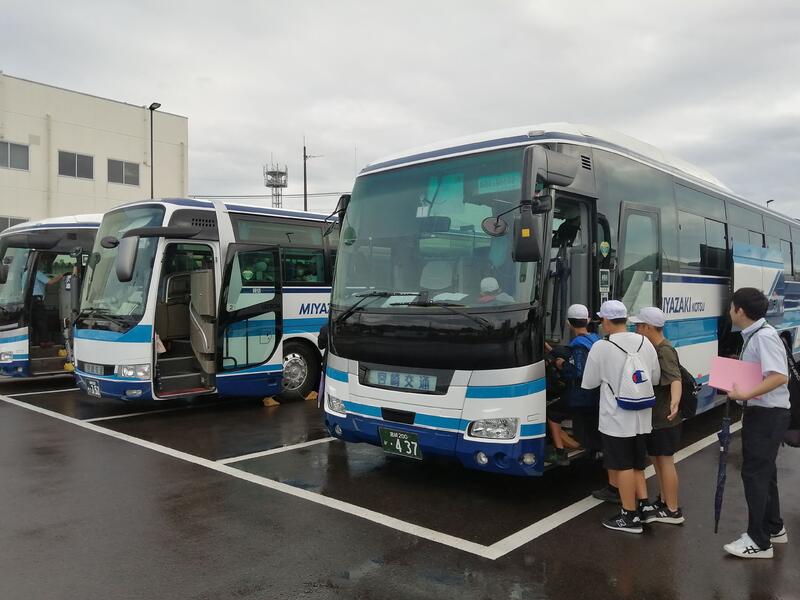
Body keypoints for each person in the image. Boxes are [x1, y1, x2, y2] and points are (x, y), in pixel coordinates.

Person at [723, 287, 791, 559]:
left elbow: (779, 376)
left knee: (755, 475)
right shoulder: (756, 335)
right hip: (765, 414)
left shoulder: (764, 337)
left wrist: (745, 394)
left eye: (731, 307)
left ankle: (759, 541)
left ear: (740, 311)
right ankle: (774, 528)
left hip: (766, 416)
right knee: (765, 473)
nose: (729, 311)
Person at [581, 300, 660, 534]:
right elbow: (655, 378)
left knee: (622, 465)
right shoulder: (645, 342)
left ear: (606, 321)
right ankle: (644, 506)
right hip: (642, 415)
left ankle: (629, 515)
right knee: (637, 463)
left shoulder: (601, 346)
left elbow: (589, 382)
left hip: (616, 418)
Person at [630, 306, 685, 525]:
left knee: (665, 462)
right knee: (657, 461)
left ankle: (673, 509)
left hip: (665, 418)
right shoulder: (653, 348)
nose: (636, 329)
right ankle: (663, 501)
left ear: (648, 327)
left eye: (638, 326)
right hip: (656, 418)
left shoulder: (664, 350)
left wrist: (674, 402)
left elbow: (675, 378)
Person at [549, 304, 601, 463]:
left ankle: (559, 452)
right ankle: (595, 450)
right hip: (597, 393)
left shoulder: (578, 344)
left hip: (581, 395)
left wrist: (562, 365)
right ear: (588, 320)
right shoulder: (596, 339)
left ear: (568, 323)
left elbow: (579, 372)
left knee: (552, 413)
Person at [31, 259, 69, 347]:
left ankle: (34, 341)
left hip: (31, 301)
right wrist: (62, 275)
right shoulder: (37, 273)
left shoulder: (26, 273)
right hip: (37, 300)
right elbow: (51, 282)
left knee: (34, 322)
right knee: (42, 321)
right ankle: (44, 341)